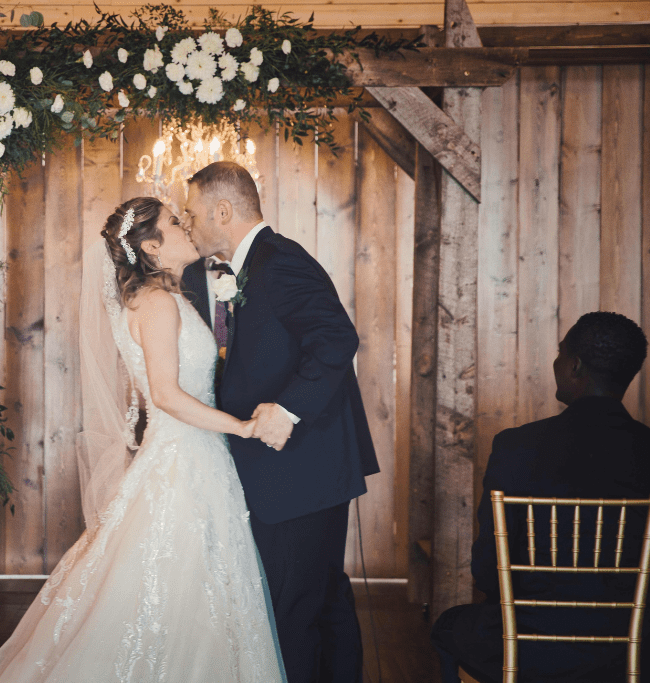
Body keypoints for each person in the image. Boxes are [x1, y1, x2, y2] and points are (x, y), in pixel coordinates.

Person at [0, 196, 285, 682]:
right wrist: (244, 427)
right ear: (151, 246)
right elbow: (164, 395)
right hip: (184, 458)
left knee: (182, 586)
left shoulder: (161, 299)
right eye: (173, 222)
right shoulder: (159, 304)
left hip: (192, 457)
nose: (184, 226)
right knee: (179, 583)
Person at [183, 161, 379, 683]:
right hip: (284, 469)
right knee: (319, 599)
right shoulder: (244, 267)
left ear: (222, 211)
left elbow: (336, 338)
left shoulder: (279, 261)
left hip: (301, 466)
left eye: (191, 213)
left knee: (296, 607)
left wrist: (287, 408)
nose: (187, 224)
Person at [431, 311, 650, 683]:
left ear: (575, 366)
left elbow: (487, 571)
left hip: (528, 645)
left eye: (560, 352)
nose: (556, 361)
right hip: (633, 649)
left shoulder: (517, 447)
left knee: (447, 628)